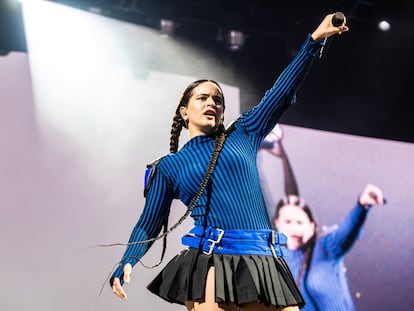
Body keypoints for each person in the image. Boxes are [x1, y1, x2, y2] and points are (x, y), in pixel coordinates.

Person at [109, 13, 349, 311]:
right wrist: (127, 261)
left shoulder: (244, 132)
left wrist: (313, 41)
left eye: (218, 99)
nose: (211, 103)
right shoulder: (169, 167)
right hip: (212, 259)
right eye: (202, 98)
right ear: (184, 112)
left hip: (264, 258)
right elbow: (149, 223)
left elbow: (281, 93)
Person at [262, 125, 386, 311]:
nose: (294, 228)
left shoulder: (326, 246)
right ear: (277, 225)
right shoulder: (278, 257)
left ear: (312, 226)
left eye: (300, 223)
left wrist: (362, 205)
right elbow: (291, 201)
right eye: (288, 222)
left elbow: (347, 231)